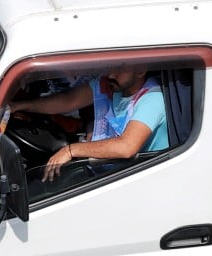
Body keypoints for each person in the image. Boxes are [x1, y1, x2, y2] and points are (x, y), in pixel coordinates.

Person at [9, 67, 171, 180]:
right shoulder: (111, 86)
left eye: (120, 68)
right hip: (108, 170)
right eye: (111, 66)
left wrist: (71, 151)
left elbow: (126, 147)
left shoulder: (152, 99)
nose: (111, 74)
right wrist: (22, 105)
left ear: (140, 71)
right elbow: (68, 100)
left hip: (139, 178)